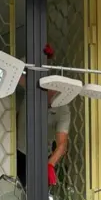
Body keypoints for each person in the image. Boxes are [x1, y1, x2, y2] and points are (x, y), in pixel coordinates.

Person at [15, 44, 71, 188]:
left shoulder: (63, 110)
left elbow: (62, 143)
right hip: (20, 152)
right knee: (17, 192)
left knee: (39, 195)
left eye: (52, 91)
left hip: (42, 155)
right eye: (45, 89)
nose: (47, 94)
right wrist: (38, 56)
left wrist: (50, 164)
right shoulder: (34, 89)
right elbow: (14, 71)